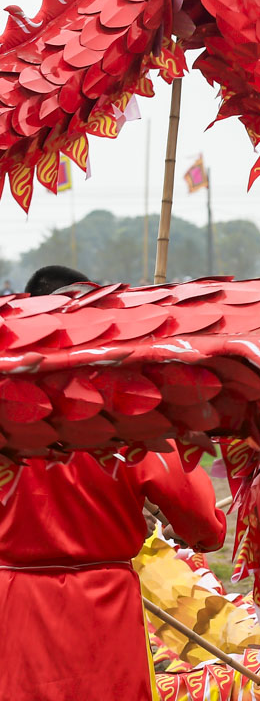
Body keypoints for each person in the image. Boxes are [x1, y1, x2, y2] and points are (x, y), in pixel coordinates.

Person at [0, 267, 227, 701]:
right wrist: (195, 529)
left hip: (14, 602)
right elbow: (198, 517)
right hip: (102, 608)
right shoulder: (129, 403)